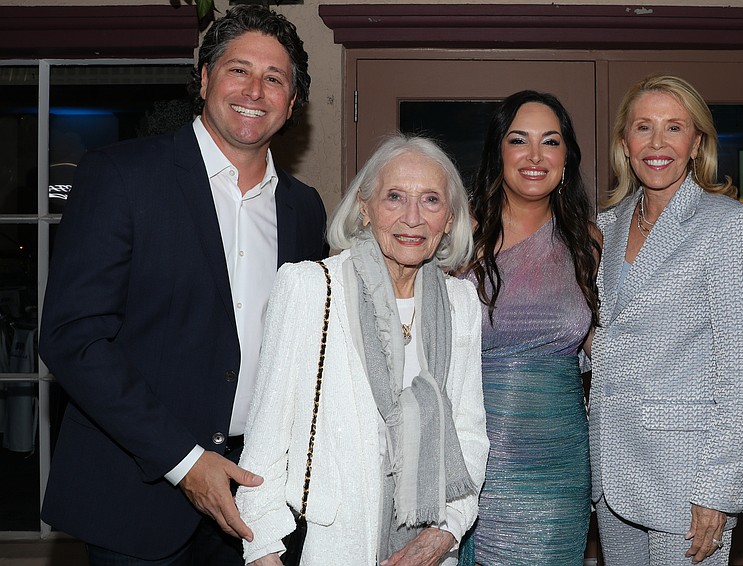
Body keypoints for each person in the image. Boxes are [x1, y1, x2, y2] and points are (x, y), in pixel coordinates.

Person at [39, 5, 327, 565]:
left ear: (292, 104)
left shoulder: (304, 209)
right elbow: (73, 338)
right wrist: (185, 461)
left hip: (255, 497)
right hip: (137, 494)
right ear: (204, 79)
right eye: (238, 70)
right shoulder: (121, 175)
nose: (255, 90)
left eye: (275, 79)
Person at [235, 133, 489, 566]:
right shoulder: (310, 287)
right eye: (394, 197)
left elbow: (468, 430)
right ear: (364, 209)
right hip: (329, 543)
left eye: (431, 200)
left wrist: (444, 532)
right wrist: (263, 550)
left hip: (427, 550)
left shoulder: (460, 303)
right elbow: (266, 440)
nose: (413, 217)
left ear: (449, 219)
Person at [588, 74, 743, 565]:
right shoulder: (607, 224)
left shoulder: (727, 225)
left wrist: (719, 490)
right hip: (613, 465)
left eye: (674, 128)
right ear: (626, 143)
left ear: (697, 143)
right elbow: (611, 337)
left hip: (687, 476)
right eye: (644, 127)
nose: (658, 143)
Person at [461, 90, 601, 565]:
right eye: (519, 140)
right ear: (498, 150)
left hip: (561, 460)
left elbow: (602, 344)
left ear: (567, 157)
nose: (536, 156)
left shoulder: (588, 241)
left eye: (551, 142)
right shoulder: (458, 234)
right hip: (475, 454)